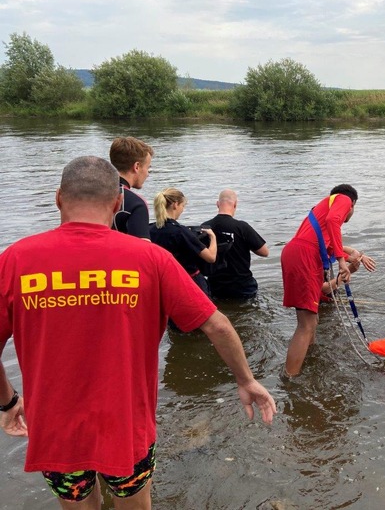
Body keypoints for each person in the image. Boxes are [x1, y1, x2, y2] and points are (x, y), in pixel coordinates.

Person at [0, 156, 276, 510]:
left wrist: (8, 402)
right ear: (117, 204)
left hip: (54, 432)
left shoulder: (15, 260)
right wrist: (247, 380)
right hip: (126, 429)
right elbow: (217, 324)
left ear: (58, 199)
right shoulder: (150, 258)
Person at [281, 184, 375, 378]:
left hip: (297, 253)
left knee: (312, 321)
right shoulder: (344, 198)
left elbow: (334, 246)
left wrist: (352, 261)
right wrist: (341, 261)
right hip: (303, 255)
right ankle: (289, 378)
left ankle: (308, 361)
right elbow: (334, 220)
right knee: (305, 326)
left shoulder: (322, 219)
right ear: (352, 205)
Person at [149, 187, 217, 298]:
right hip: (189, 282)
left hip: (162, 284)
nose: (182, 209)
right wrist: (212, 237)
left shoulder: (149, 229)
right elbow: (211, 257)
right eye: (183, 206)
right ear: (175, 204)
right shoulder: (181, 232)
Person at [202, 189, 269, 299]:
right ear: (235, 204)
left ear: (217, 204)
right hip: (242, 286)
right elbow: (264, 252)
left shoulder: (205, 227)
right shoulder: (242, 227)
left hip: (215, 287)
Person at [109, 136, 154, 240]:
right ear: (137, 167)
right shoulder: (136, 203)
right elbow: (143, 251)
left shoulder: (91, 195)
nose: (148, 174)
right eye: (148, 168)